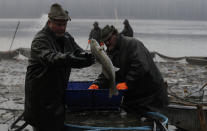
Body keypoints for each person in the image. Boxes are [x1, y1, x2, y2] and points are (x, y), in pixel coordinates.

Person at [23, 3, 95, 131]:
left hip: (57, 98)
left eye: (64, 24)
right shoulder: (40, 40)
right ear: (50, 22)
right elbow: (51, 58)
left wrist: (89, 58)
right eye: (59, 24)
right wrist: (69, 58)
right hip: (40, 101)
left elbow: (78, 53)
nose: (62, 28)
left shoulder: (67, 37)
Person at [89, 25, 169, 114]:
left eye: (109, 39)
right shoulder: (111, 52)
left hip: (151, 94)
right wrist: (98, 84)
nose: (107, 43)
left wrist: (127, 83)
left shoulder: (132, 44)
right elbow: (109, 71)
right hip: (134, 95)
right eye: (105, 41)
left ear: (115, 35)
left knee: (150, 118)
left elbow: (141, 66)